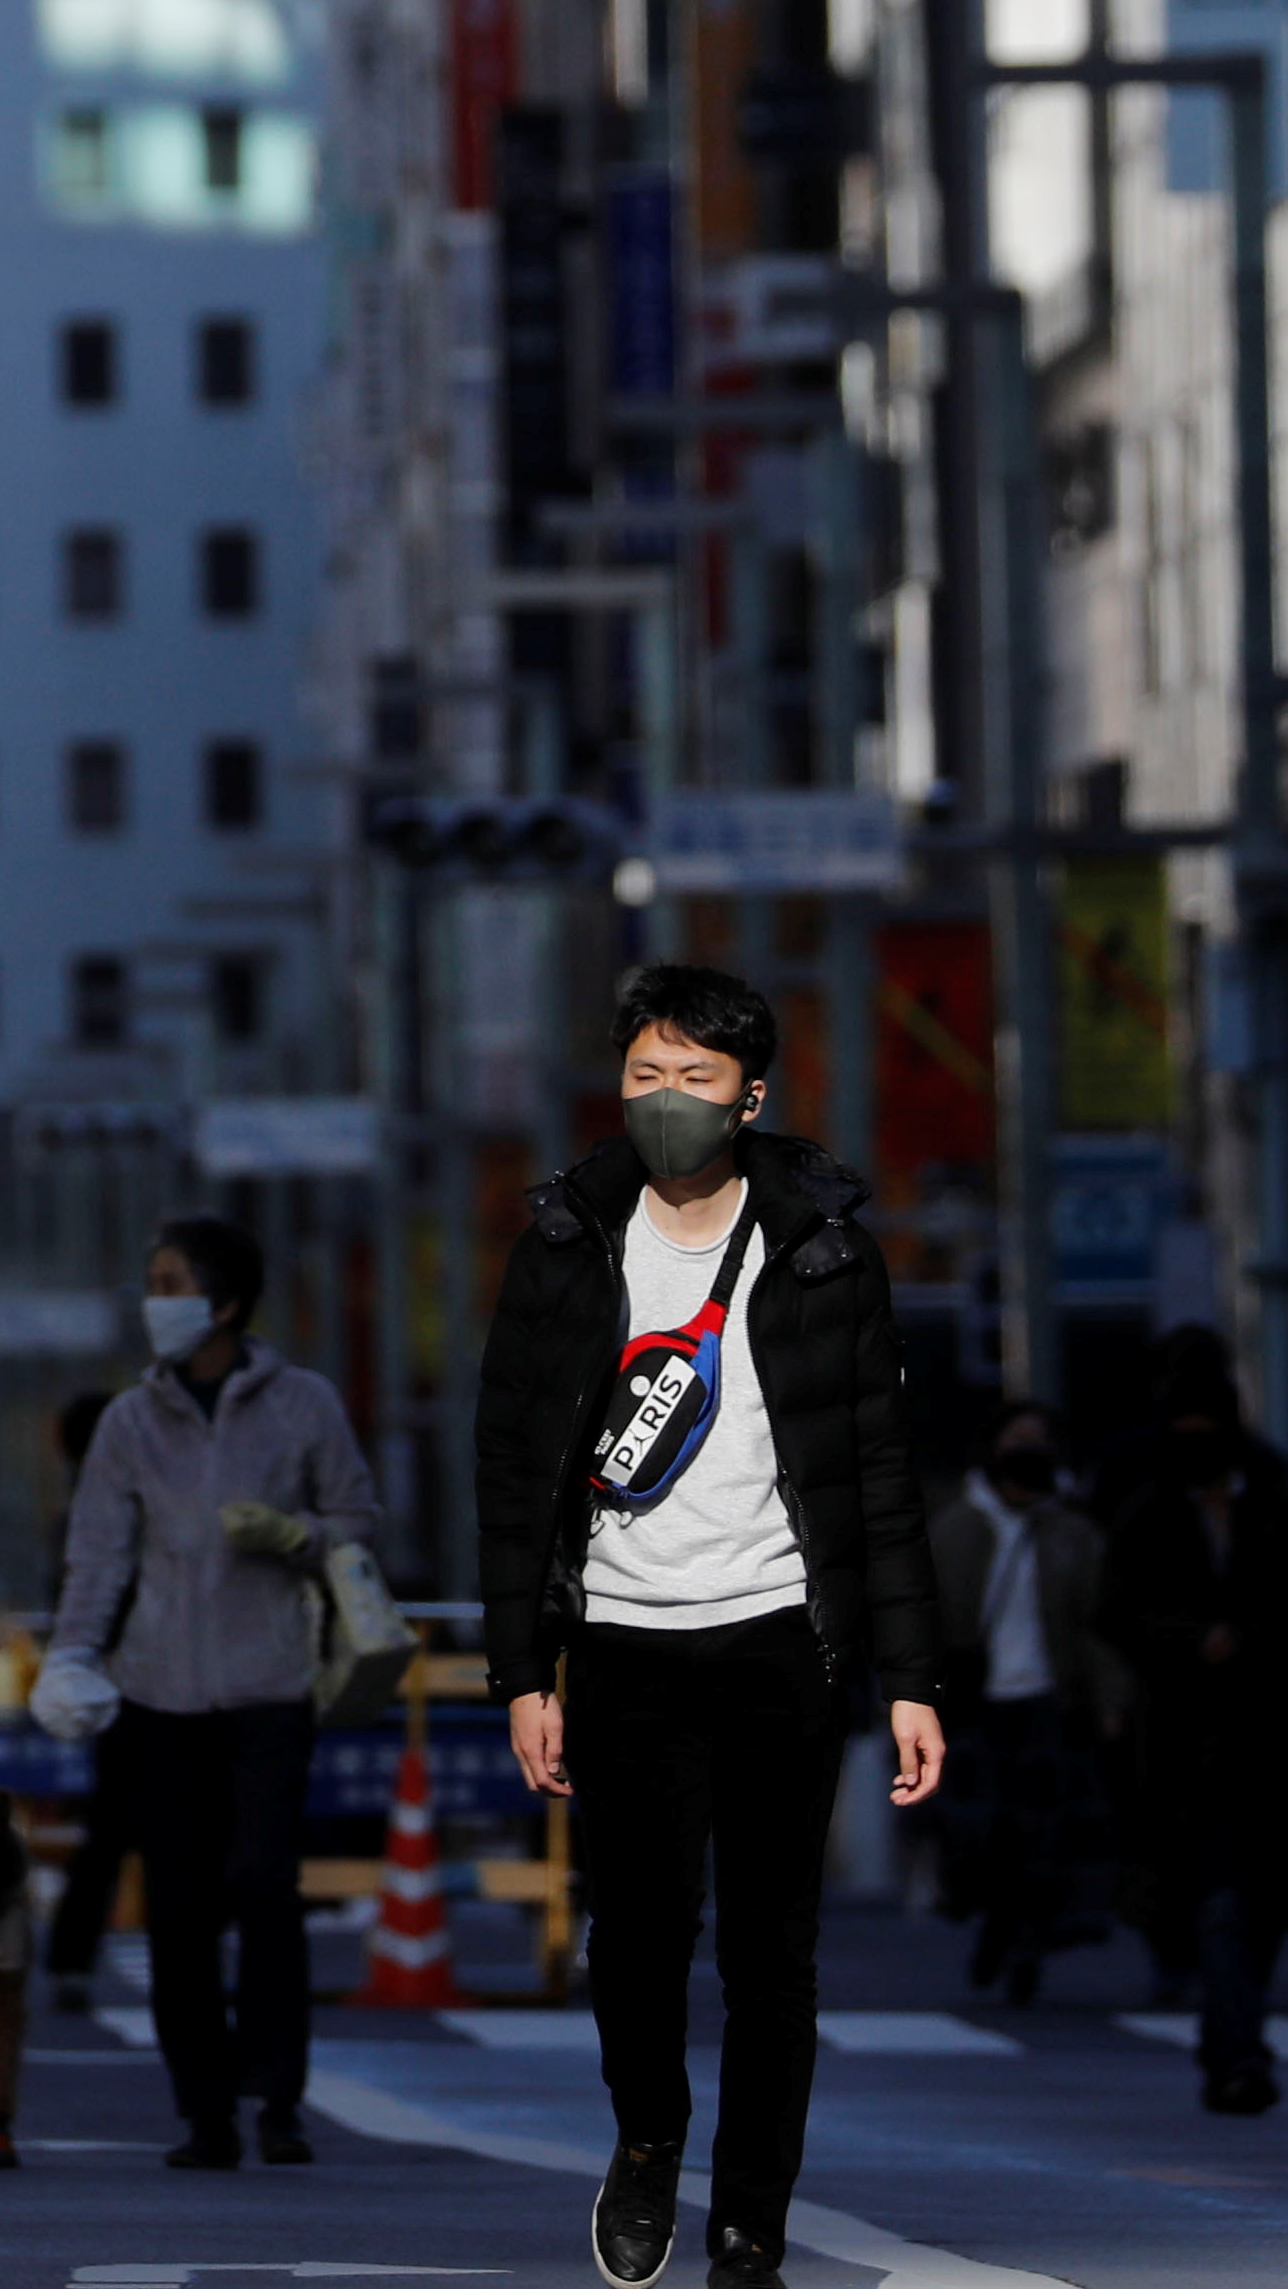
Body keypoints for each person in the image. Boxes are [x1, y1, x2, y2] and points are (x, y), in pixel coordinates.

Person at [473, 960, 944, 2288]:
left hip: (780, 1635)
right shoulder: (564, 1242)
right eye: (644, 1074)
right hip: (619, 1639)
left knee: (770, 1952)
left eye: (694, 1078)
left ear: (750, 1096)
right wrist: (522, 1667)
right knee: (633, 1935)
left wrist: (911, 1673)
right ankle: (646, 2135)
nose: (666, 1099)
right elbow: (510, 1468)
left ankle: (750, 2225)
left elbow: (877, 1469)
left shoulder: (822, 1249)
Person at [48, 1211, 381, 2170]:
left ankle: (276, 2097)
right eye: (152, 1286)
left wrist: (294, 1535)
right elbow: (97, 1557)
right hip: (157, 1695)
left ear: (225, 1302)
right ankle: (203, 2111)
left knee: (266, 1887)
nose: (154, 1303)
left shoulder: (302, 1403)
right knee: (179, 1907)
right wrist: (73, 1658)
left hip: (272, 1685)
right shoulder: (127, 1421)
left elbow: (358, 1516)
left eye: (168, 1285)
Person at [1096, 1384, 1288, 2123]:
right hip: (1180, 1738)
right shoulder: (1148, 1514)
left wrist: (1256, 1642)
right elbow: (1114, 1611)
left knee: (1260, 1907)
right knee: (1219, 1903)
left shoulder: (1283, 1511)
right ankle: (1238, 2053)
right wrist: (1184, 1641)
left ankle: (1231, 2032)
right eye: (1184, 1425)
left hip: (1267, 1734)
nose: (1196, 1438)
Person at [921, 1400, 1112, 2005]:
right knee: (981, 1835)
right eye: (1018, 1439)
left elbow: (1096, 1620)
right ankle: (998, 1925)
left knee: (1045, 1837)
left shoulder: (1072, 1530)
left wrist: (1107, 1696)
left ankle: (1028, 1943)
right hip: (978, 1702)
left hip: (1050, 1697)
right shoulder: (957, 1527)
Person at [34, 1388, 140, 2014]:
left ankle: (71, 1957)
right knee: (129, 1827)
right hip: (144, 1680)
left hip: (113, 1683)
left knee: (110, 1831)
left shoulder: (75, 1508)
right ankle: (72, 1956)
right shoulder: (116, 1504)